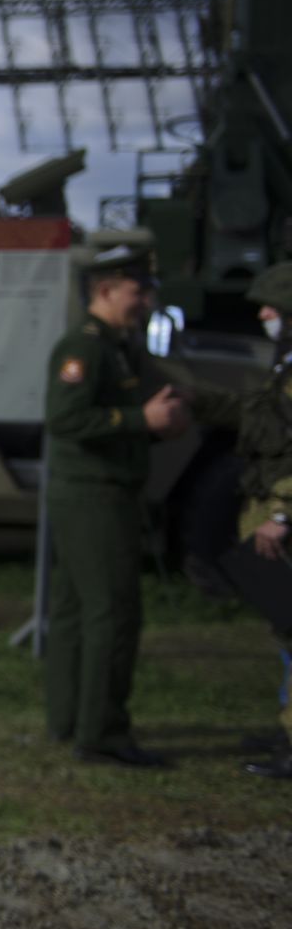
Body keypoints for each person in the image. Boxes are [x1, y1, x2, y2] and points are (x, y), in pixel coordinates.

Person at [42, 247, 188, 768]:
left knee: (76, 609)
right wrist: (139, 422)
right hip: (94, 495)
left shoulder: (117, 347)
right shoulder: (84, 349)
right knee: (112, 612)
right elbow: (66, 421)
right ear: (105, 290)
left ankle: (69, 720)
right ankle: (101, 733)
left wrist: (148, 426)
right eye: (136, 291)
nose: (144, 301)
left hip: (98, 488)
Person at [186, 262, 292, 779]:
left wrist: (280, 514)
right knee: (285, 628)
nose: (263, 314)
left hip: (282, 519)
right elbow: (260, 417)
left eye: (272, 305)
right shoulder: (285, 366)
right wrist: (199, 401)